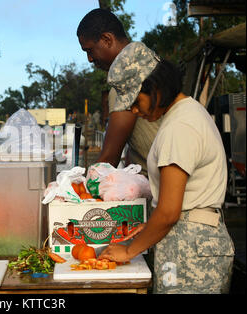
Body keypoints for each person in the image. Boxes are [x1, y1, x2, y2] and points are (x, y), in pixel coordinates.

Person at [99, 58, 234, 294]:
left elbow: (169, 212)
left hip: (190, 249)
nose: (133, 110)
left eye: (135, 100)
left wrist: (129, 251)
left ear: (156, 89)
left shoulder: (179, 127)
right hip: (192, 240)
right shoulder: (188, 112)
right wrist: (151, 227)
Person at [77, 9, 162, 176]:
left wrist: (81, 190)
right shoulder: (150, 63)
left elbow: (109, 159)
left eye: (89, 50)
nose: (90, 59)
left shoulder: (124, 83)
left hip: (160, 186)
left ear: (107, 39)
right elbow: (133, 147)